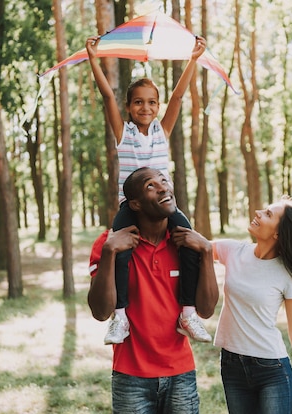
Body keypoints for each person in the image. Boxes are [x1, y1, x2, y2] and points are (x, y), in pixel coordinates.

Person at [86, 34, 212, 344]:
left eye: (152, 102)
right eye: (139, 102)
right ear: (128, 107)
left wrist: (193, 60)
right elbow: (105, 96)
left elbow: (179, 97)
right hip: (132, 207)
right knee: (119, 254)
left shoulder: (162, 131)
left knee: (190, 245)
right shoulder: (123, 133)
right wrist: (93, 59)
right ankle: (120, 317)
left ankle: (188, 313)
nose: (146, 107)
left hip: (166, 206)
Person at [174, 196, 292, 414]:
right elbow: (194, 246)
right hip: (231, 364)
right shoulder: (233, 250)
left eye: (267, 214)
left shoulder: (287, 275)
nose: (257, 212)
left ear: (278, 234)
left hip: (272, 370)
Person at [88, 167, 219, 414]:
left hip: (181, 374)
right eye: (151, 186)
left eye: (164, 180)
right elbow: (101, 312)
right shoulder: (110, 243)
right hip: (131, 377)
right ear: (135, 204)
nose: (163, 187)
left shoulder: (188, 244)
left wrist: (206, 252)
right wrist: (108, 253)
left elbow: (206, 309)